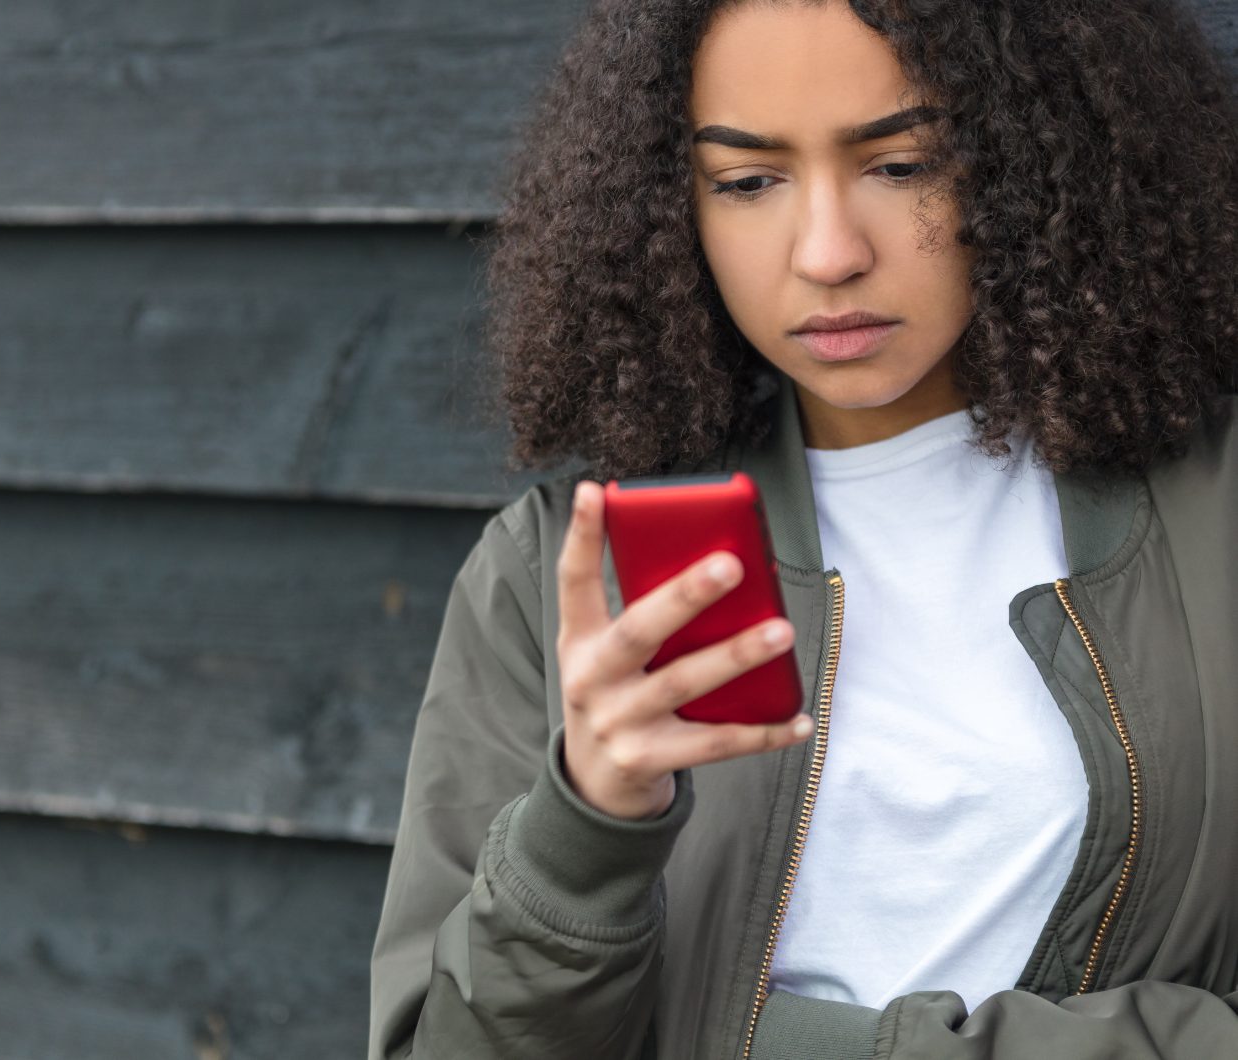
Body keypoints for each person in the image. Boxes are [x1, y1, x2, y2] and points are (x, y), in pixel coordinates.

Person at [369, 0, 1238, 1055]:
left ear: (1035, 152)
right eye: (747, 182)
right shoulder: (563, 570)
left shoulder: (1213, 511)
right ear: (667, 204)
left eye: (903, 165)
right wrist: (588, 820)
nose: (828, 252)